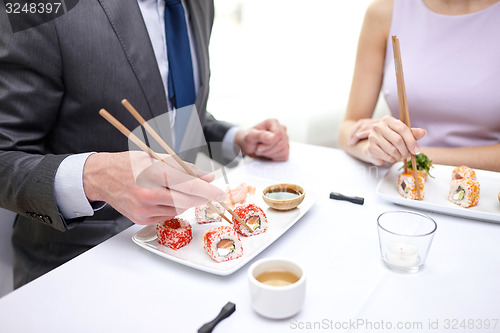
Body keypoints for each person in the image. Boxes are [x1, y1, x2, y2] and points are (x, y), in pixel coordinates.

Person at [0, 0, 289, 288]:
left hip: (190, 252)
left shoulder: (200, 4)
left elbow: (171, 109)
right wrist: (93, 177)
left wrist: (235, 137)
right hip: (80, 265)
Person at [338, 0, 500, 172]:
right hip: (400, 185)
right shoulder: (384, 11)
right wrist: (373, 148)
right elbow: (349, 128)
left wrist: (408, 154)